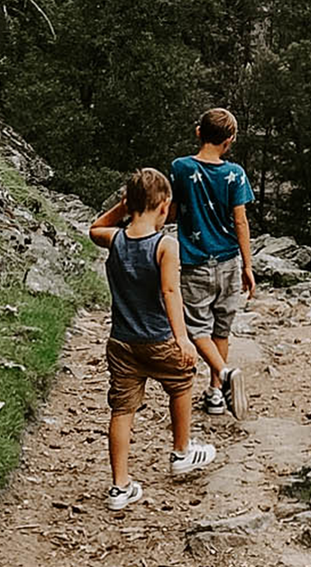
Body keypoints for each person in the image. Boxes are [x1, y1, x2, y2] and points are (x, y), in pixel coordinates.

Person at [89, 166, 216, 512]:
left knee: (122, 409)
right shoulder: (165, 245)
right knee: (182, 386)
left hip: (122, 343)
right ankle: (182, 452)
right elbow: (170, 291)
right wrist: (182, 339)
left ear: (130, 203)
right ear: (164, 207)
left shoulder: (114, 239)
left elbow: (95, 227)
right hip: (159, 338)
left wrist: (123, 206)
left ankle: (119, 486)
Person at [169, 107, 256, 419]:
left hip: (195, 263)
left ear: (198, 132)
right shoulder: (235, 174)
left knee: (196, 328)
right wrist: (248, 266)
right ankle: (215, 393)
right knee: (221, 328)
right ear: (229, 141)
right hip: (230, 261)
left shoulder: (180, 168)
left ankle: (224, 374)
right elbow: (241, 222)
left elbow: (173, 211)